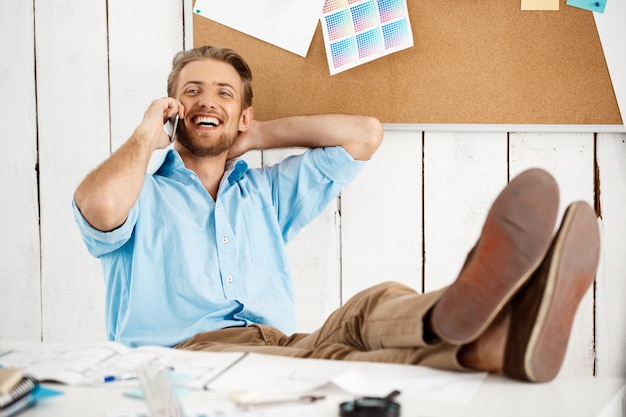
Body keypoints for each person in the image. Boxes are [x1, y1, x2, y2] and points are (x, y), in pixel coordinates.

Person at [73, 45, 600, 383]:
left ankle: (464, 323)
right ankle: (482, 348)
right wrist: (147, 133)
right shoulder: (141, 189)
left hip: (274, 342)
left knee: (372, 306)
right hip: (182, 359)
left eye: (223, 94)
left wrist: (255, 136)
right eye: (191, 91)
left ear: (242, 113)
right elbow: (98, 207)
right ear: (171, 108)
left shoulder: (261, 194)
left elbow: (364, 135)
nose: (206, 100)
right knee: (330, 364)